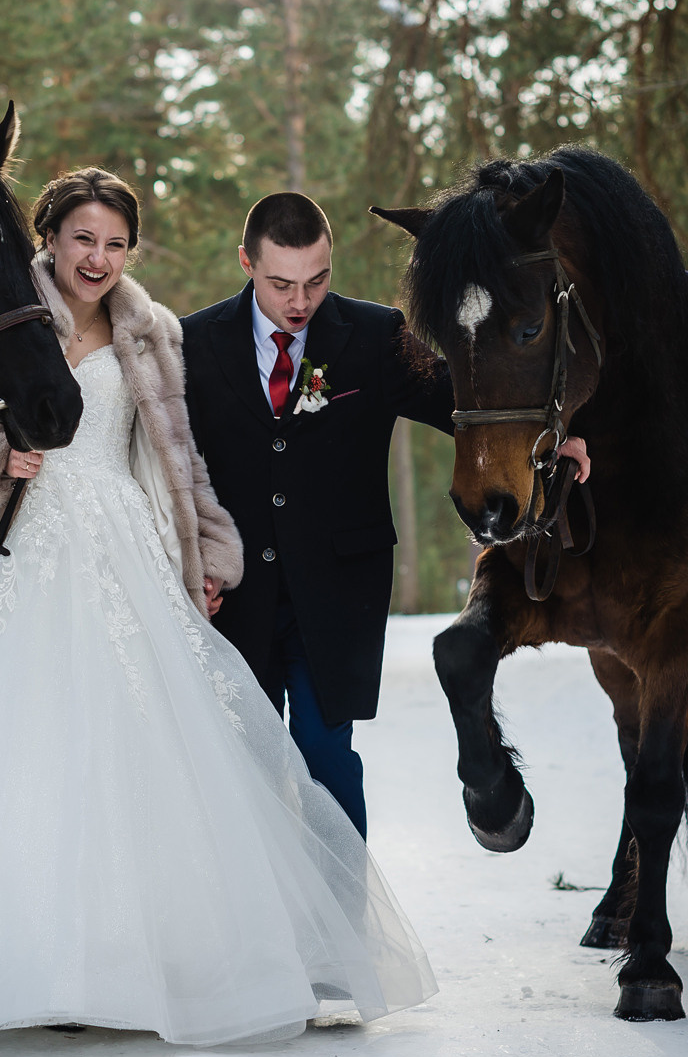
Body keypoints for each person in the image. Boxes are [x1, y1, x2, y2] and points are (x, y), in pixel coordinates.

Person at [0, 168, 436, 1047]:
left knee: (136, 758)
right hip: (15, 553)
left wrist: (204, 551)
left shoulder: (153, 335)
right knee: (9, 753)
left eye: (114, 243)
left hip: (121, 550)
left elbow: (180, 462)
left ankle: (128, 965)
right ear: (50, 241)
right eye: (82, 239)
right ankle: (12, 960)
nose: (97, 258)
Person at [181, 193, 588, 838]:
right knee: (244, 766)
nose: (300, 301)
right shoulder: (193, 343)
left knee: (326, 756)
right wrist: (189, 559)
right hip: (232, 598)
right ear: (246, 262)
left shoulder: (375, 337)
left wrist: (553, 438)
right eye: (281, 283)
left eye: (317, 280)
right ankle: (258, 929)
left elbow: (469, 403)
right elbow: (175, 469)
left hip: (337, 594)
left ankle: (342, 922)